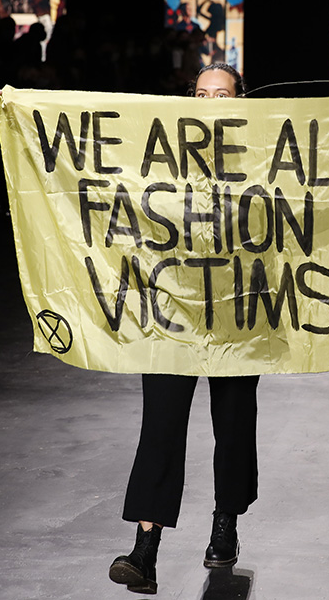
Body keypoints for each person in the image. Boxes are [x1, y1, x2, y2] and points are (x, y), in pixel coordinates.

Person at [107, 63, 258, 596]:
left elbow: (327, 173)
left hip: (238, 310)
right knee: (161, 423)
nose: (210, 101)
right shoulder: (161, 150)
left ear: (242, 99)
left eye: (221, 94)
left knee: (234, 423)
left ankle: (226, 523)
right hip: (172, 310)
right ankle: (145, 548)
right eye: (200, 93)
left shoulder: (264, 154)